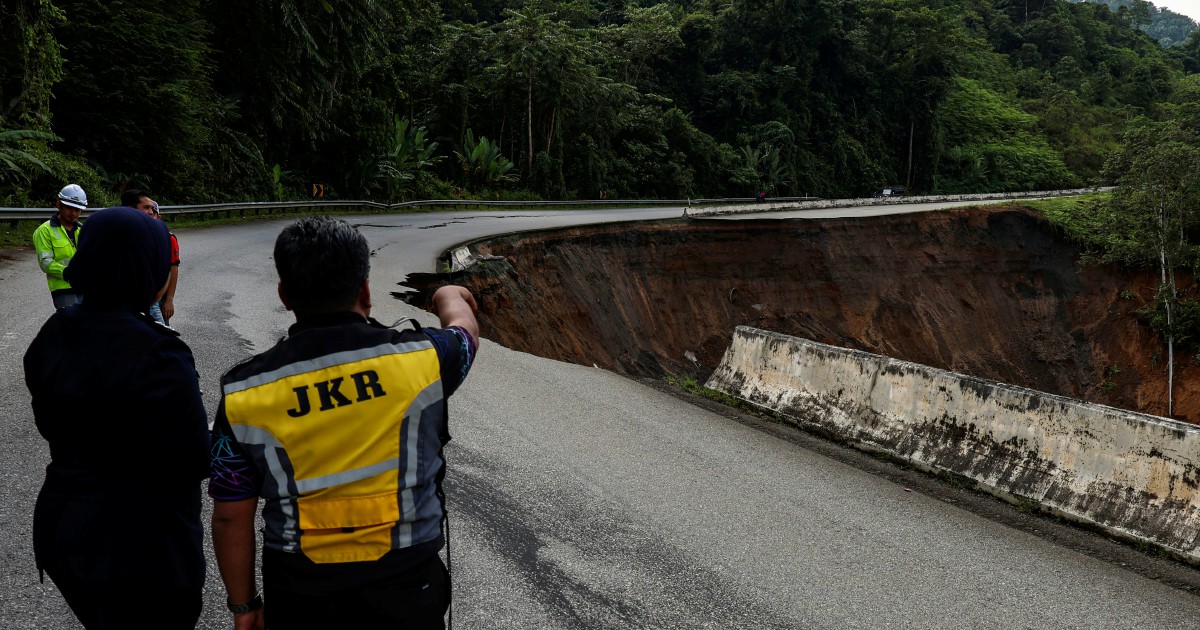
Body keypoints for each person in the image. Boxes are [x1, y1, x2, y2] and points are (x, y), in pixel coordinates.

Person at [209, 216, 480, 629]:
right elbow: (465, 333)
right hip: (408, 587)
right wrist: (448, 294)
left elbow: (231, 514)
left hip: (300, 591)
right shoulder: (425, 360)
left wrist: (245, 607)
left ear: (284, 295)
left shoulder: (244, 391)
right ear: (366, 291)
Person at [23, 206, 210, 629]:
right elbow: (195, 457)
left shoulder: (56, 332)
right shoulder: (161, 353)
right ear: (146, 266)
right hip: (143, 543)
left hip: (66, 527)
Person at [33, 184, 87, 309]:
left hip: (86, 287)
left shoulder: (83, 230)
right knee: (73, 325)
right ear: (58, 205)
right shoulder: (44, 231)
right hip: (63, 290)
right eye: (69, 208)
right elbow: (45, 263)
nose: (73, 213)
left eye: (77, 210)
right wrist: (68, 273)